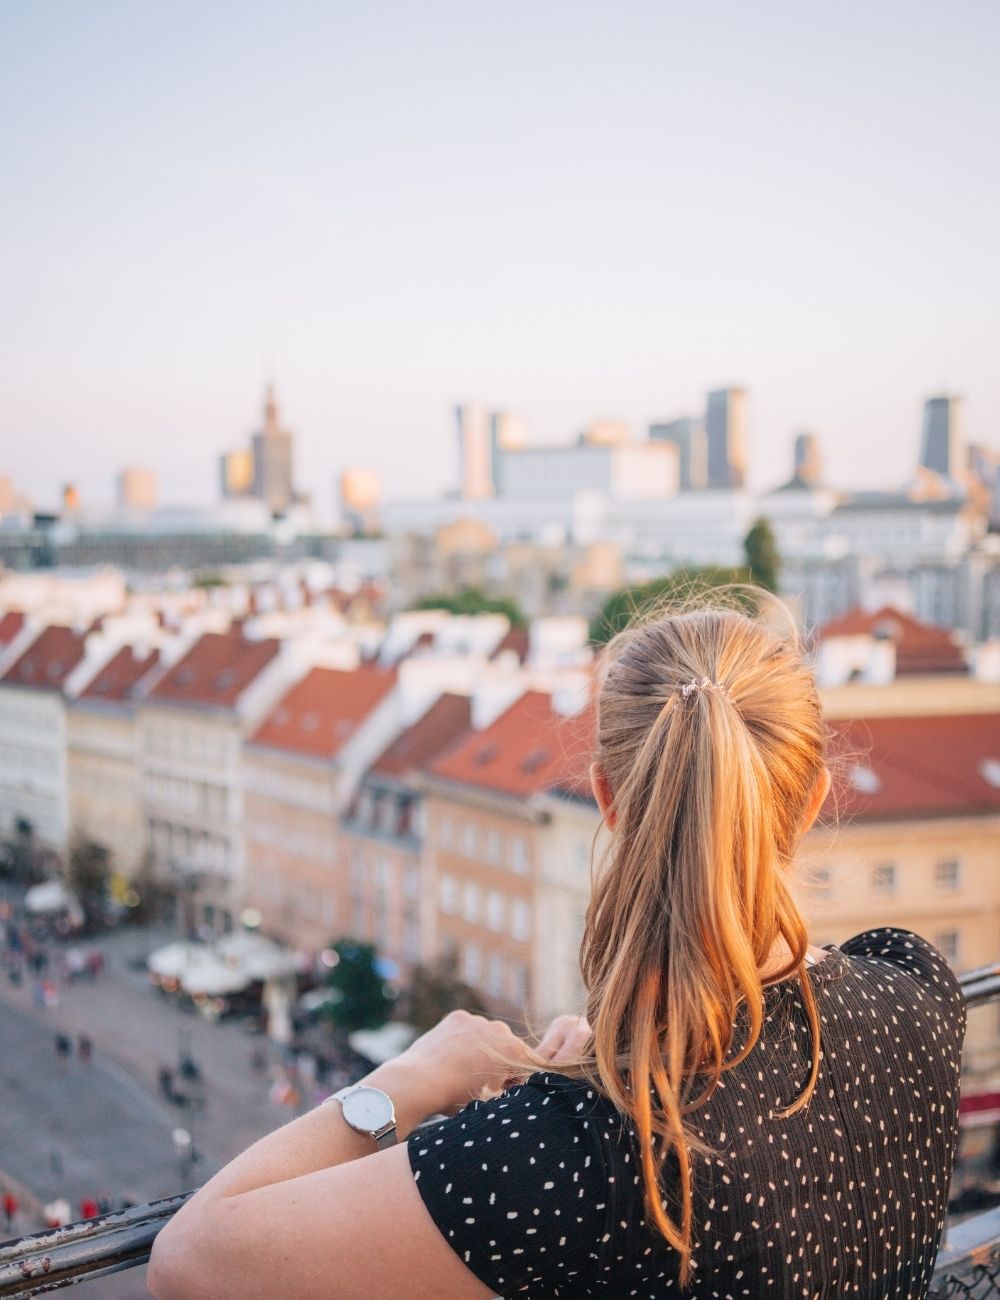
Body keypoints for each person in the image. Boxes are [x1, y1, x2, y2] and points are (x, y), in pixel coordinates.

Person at [147, 597, 967, 1299]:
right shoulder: (919, 993)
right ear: (815, 799)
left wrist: (408, 1079)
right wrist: (607, 1066)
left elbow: (189, 1260)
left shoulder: (581, 1154)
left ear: (607, 799)